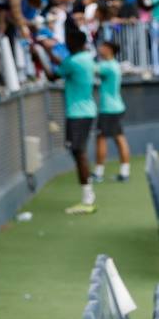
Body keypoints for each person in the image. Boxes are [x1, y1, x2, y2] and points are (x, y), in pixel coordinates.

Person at [56, 26, 100, 214]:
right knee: (77, 151)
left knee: (79, 152)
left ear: (74, 43)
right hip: (86, 112)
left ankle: (88, 197)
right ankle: (88, 192)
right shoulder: (86, 59)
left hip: (78, 114)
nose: (66, 44)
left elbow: (55, 73)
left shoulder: (73, 61)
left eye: (68, 41)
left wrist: (44, 51)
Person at [94, 39, 130, 183]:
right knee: (119, 138)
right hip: (116, 108)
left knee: (102, 139)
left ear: (109, 50)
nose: (100, 48)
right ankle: (124, 172)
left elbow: (89, 68)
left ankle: (98, 173)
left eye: (103, 46)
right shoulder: (113, 65)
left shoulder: (108, 66)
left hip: (109, 109)